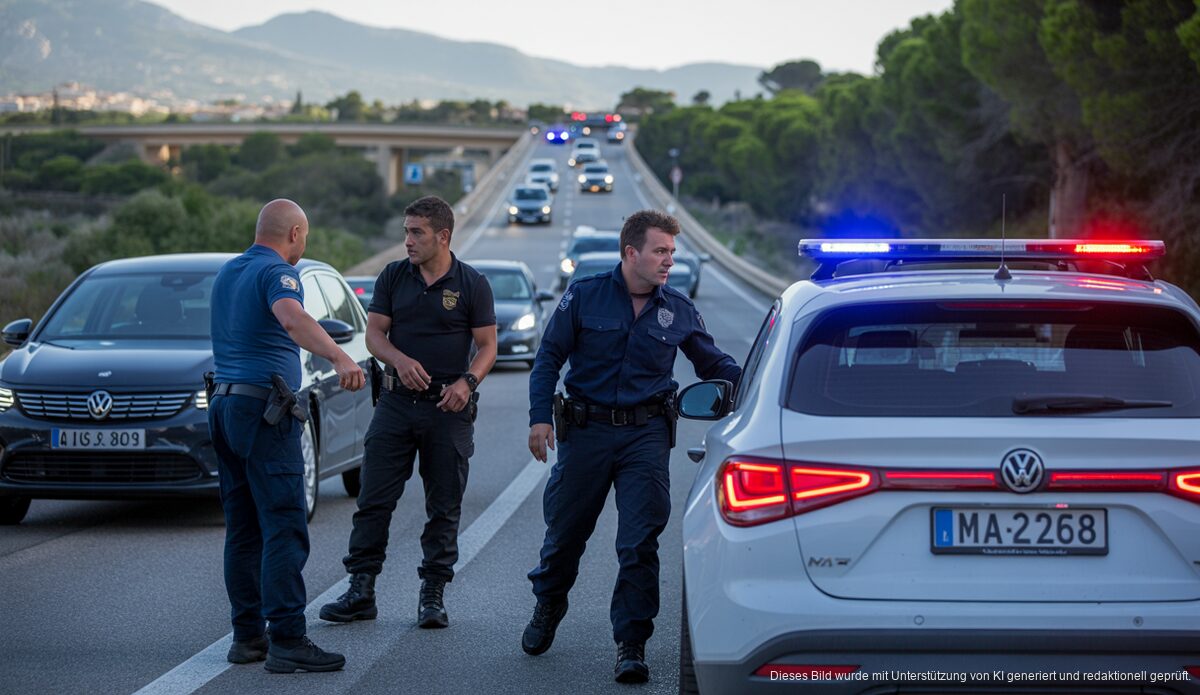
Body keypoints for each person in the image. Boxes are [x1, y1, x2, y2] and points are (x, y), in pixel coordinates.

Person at [523, 210, 741, 683]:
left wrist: (763, 387)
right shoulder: (585, 296)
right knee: (565, 534)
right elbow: (548, 360)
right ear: (631, 253)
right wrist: (540, 417)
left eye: (672, 252)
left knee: (639, 541)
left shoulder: (678, 308)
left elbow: (714, 364)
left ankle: (631, 644)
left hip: (645, 436)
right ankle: (548, 604)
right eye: (660, 251)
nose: (669, 261)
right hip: (587, 433)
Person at [320, 195, 497, 630]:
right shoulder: (394, 276)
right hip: (396, 404)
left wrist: (466, 383)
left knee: (444, 505)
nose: (407, 241)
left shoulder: (472, 283)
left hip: (447, 408)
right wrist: (397, 360)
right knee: (373, 500)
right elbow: (374, 335)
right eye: (405, 231)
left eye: (416, 232)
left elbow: (488, 346)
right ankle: (361, 589)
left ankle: (432, 595)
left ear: (443, 236)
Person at [209, 198, 365, 673]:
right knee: (283, 524)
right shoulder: (279, 273)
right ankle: (289, 639)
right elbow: (292, 317)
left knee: (243, 528)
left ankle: (248, 638)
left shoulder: (228, 272)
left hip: (225, 404)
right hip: (264, 410)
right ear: (295, 233)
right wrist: (341, 358)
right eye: (306, 236)